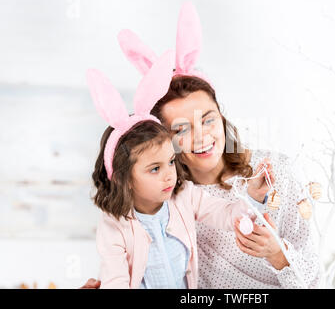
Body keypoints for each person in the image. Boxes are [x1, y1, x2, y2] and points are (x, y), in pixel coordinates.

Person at [81, 1, 320, 289]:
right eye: (181, 129)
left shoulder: (273, 172)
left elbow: (316, 279)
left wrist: (277, 255)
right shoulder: (166, 196)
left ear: (221, 116)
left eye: (207, 120)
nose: (201, 137)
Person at [85, 51, 273, 289]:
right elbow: (116, 280)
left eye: (171, 162)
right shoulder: (115, 226)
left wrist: (253, 196)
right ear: (126, 179)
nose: (169, 175)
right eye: (154, 169)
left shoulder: (184, 196)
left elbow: (227, 214)